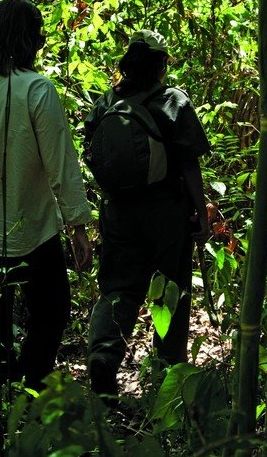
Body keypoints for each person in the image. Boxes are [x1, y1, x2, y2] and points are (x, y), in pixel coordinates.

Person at [0, 0, 92, 391]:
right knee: (52, 314)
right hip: (29, 231)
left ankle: (3, 398)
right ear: (30, 40)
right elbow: (61, 163)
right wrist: (78, 225)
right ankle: (30, 392)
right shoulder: (37, 89)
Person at [86, 29, 211, 397]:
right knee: (171, 287)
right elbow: (189, 164)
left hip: (117, 212)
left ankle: (104, 355)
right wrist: (201, 213)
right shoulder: (173, 100)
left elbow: (92, 151)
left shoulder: (106, 101)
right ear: (161, 65)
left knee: (118, 287)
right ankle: (168, 371)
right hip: (165, 211)